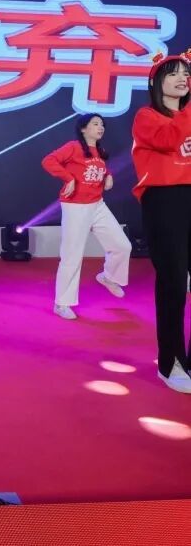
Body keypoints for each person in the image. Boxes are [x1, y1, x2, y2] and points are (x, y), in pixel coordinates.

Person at [132, 49, 191, 393]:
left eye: (186, 73)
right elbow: (169, 141)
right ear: (156, 83)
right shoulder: (147, 116)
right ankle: (171, 363)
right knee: (173, 283)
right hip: (165, 200)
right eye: (174, 74)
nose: (183, 79)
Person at [42, 114, 131, 320]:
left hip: (97, 205)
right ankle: (62, 303)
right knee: (72, 256)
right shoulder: (73, 147)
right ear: (83, 128)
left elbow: (100, 169)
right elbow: (48, 161)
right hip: (75, 206)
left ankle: (108, 277)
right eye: (95, 124)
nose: (101, 127)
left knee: (122, 245)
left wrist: (109, 175)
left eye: (102, 125)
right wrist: (68, 178)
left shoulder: (100, 151)